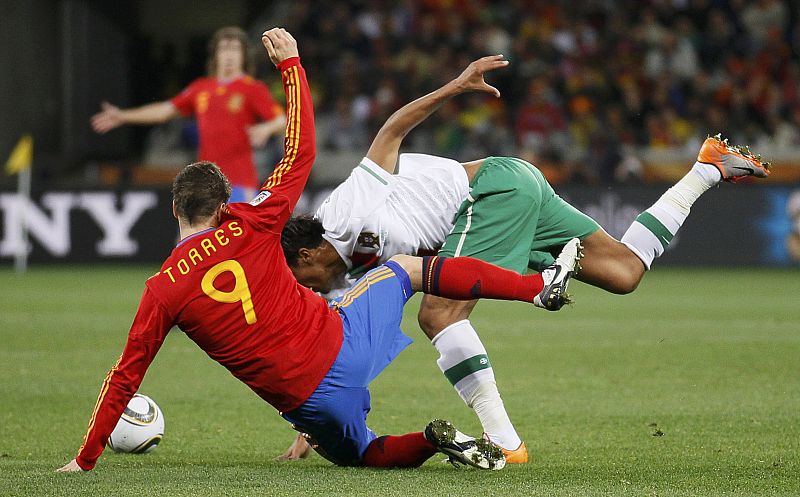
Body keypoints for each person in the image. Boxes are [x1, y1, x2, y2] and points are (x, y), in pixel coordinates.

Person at [57, 28, 581, 473]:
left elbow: (126, 373)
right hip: (344, 346)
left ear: (175, 209)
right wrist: (291, 67)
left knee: (362, 454)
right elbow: (300, 150)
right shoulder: (256, 224)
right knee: (405, 270)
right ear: (223, 207)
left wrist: (84, 459)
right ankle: (538, 288)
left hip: (309, 405)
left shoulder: (162, 289)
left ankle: (429, 440)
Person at [279, 55, 771, 463]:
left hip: (489, 192)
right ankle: (708, 169)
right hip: (515, 186)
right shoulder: (343, 279)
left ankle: (507, 444)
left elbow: (389, 133)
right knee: (624, 272)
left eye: (299, 277)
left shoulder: (340, 215)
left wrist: (455, 86)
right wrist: (317, 424)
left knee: (439, 311)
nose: (307, 289)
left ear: (306, 254)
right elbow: (352, 355)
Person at [91, 26, 286, 202]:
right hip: (205, 185)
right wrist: (123, 116)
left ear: (244, 55)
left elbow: (282, 120)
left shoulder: (252, 89)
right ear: (215, 54)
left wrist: (266, 128)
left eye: (235, 49)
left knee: (237, 240)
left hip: (239, 184)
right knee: (190, 240)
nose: (229, 55)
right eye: (224, 48)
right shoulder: (201, 88)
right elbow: (164, 111)